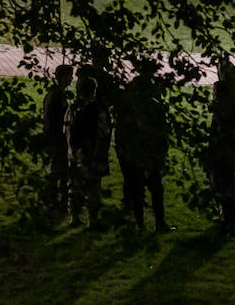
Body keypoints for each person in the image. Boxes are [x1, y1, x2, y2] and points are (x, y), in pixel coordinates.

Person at [114, 66, 172, 232]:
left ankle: (140, 224)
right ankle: (159, 222)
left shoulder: (129, 108)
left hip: (134, 155)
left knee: (137, 190)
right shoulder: (155, 107)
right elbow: (162, 133)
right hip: (149, 154)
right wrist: (161, 155)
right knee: (155, 189)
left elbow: (121, 132)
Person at [206, 56, 235, 229]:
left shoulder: (222, 88)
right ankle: (231, 216)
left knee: (218, 176)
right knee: (228, 177)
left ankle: (224, 214)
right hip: (233, 138)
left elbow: (219, 114)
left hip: (221, 137)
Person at [68, 68, 111, 227]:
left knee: (76, 185)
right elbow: (103, 132)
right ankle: (93, 219)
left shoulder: (74, 108)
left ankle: (74, 216)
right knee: (94, 187)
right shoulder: (98, 110)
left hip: (76, 151)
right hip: (93, 151)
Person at [42, 64, 74, 219]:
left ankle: (55, 200)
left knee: (58, 169)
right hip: (58, 138)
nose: (72, 78)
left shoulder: (51, 94)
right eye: (70, 75)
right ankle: (58, 202)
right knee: (61, 170)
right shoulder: (59, 96)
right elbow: (58, 119)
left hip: (52, 137)